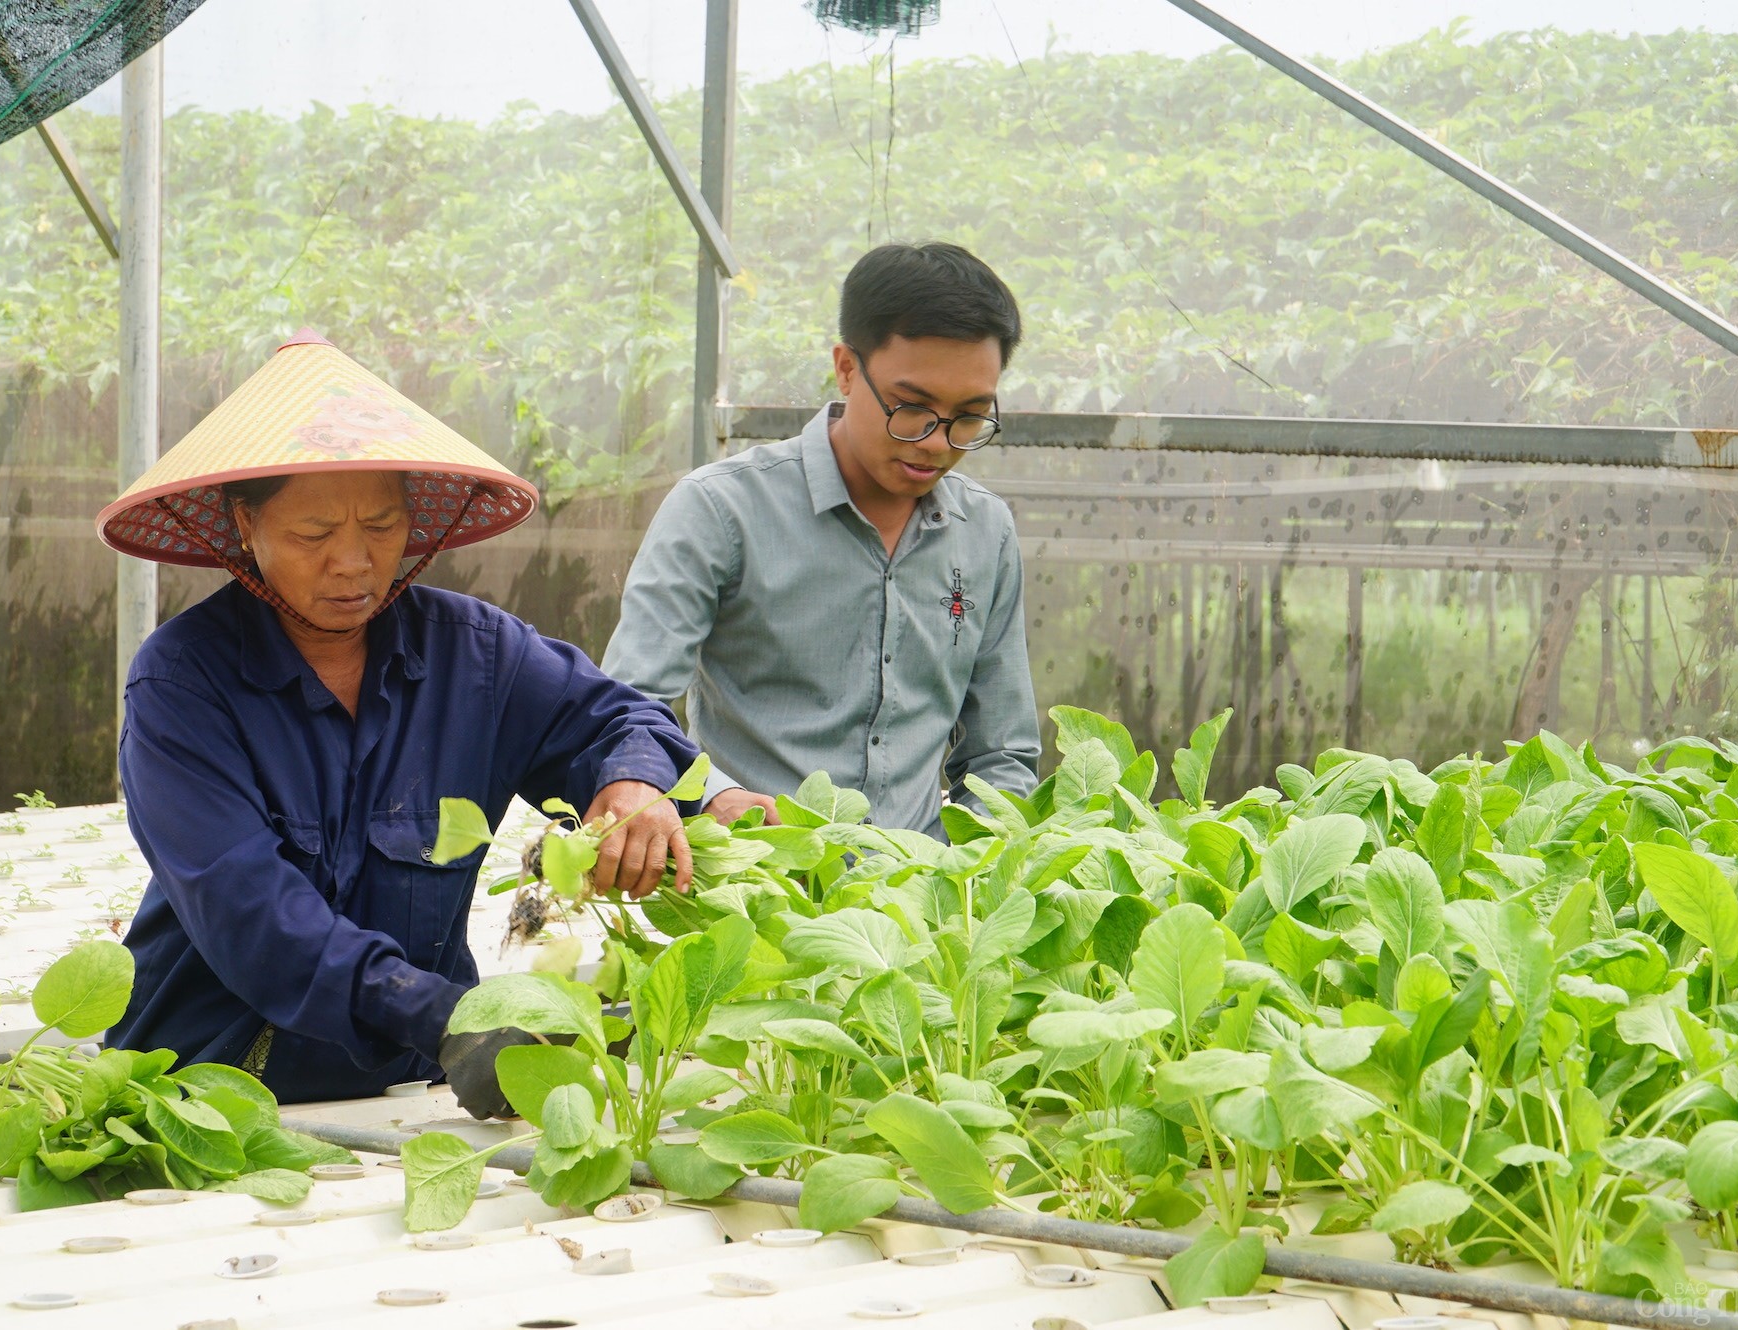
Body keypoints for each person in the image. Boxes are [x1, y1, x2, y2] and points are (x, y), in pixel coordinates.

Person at [96, 330, 698, 1109]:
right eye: (314, 534)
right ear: (244, 526)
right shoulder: (183, 682)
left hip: (409, 1094)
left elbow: (620, 720)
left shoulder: (478, 656)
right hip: (207, 1096)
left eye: (381, 527)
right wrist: (446, 1017)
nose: (354, 562)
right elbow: (250, 912)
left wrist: (634, 780)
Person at [603, 242, 1040, 839]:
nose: (937, 443)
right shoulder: (721, 509)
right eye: (912, 408)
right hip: (751, 888)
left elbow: (1002, 757)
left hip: (919, 907)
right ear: (846, 368)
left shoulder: (984, 532)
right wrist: (715, 799)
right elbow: (629, 712)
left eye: (969, 416)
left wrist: (964, 875)